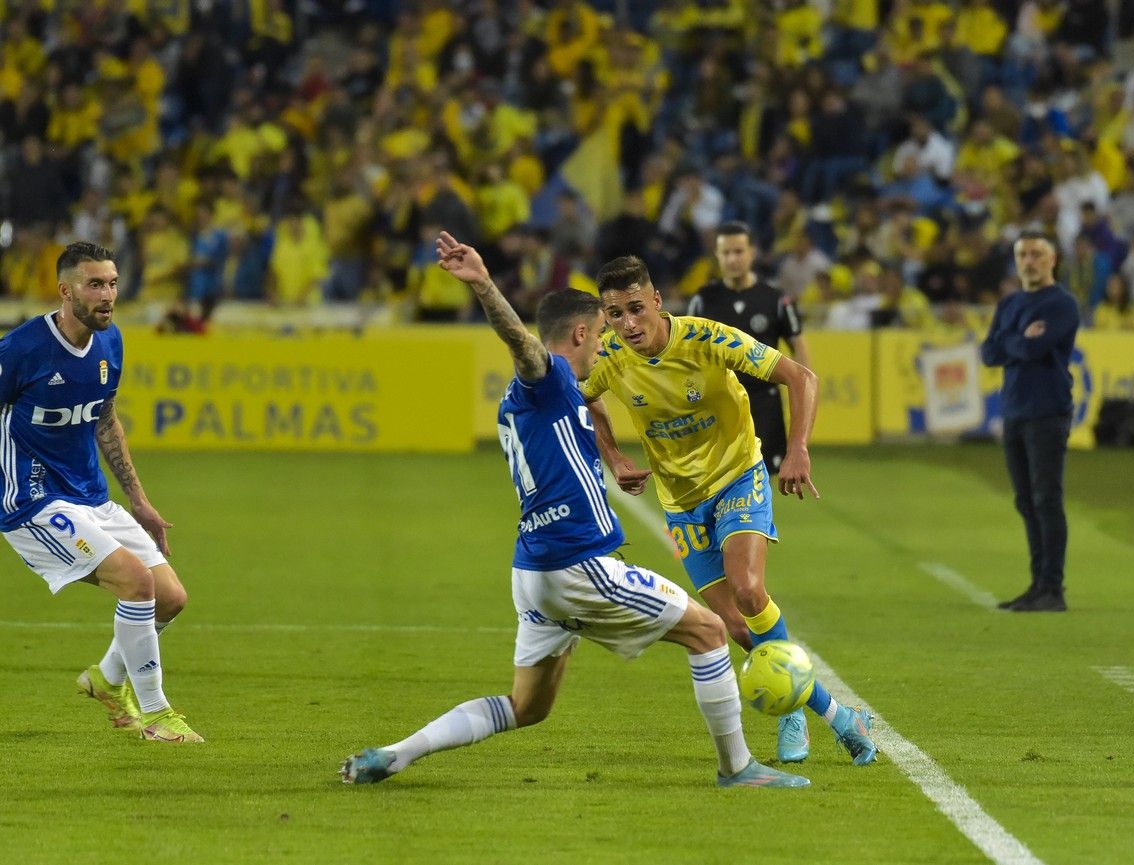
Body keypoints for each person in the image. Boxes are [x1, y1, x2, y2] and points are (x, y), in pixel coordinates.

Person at [339, 232, 809, 788]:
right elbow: (526, 348)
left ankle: (394, 754)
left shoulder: (515, 407)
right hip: (576, 563)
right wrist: (485, 285)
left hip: (531, 573)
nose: (607, 345)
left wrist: (610, 457)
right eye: (603, 331)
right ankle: (739, 769)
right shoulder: (551, 378)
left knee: (526, 707)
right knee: (709, 631)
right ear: (583, 332)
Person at [581, 255, 877, 767]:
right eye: (614, 314)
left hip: (738, 473)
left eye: (635, 309)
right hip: (680, 501)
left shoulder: (709, 338)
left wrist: (800, 448)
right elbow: (584, 399)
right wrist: (613, 455)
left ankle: (793, 716)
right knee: (736, 630)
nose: (627, 324)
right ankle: (838, 714)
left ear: (656, 301)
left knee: (748, 589)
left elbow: (802, 376)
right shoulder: (607, 354)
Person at [0, 241, 202, 742]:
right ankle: (155, 715)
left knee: (171, 598)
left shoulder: (111, 343)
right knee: (136, 583)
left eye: (112, 283)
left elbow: (105, 420)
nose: (108, 294)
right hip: (33, 501)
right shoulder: (22, 349)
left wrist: (139, 501)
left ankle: (107, 679)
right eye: (95, 284)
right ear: (65, 291)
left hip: (90, 495)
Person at [980, 231, 1081, 612]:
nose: (1029, 260)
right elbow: (989, 352)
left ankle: (1053, 587)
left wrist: (1015, 341)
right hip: (1015, 411)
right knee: (1026, 499)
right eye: (1023, 254)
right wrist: (1018, 339)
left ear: (1052, 259)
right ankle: (1038, 583)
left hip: (1048, 410)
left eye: (1037, 253)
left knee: (1046, 498)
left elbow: (1033, 347)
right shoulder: (1011, 303)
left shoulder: (1061, 304)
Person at [687, 221, 812, 473]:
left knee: (765, 479)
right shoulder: (703, 299)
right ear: (717, 256)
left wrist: (801, 387)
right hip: (719, 402)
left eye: (738, 251)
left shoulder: (775, 298)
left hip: (764, 403)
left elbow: (799, 345)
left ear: (752, 253)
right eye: (726, 253)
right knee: (718, 476)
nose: (732, 259)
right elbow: (689, 352)